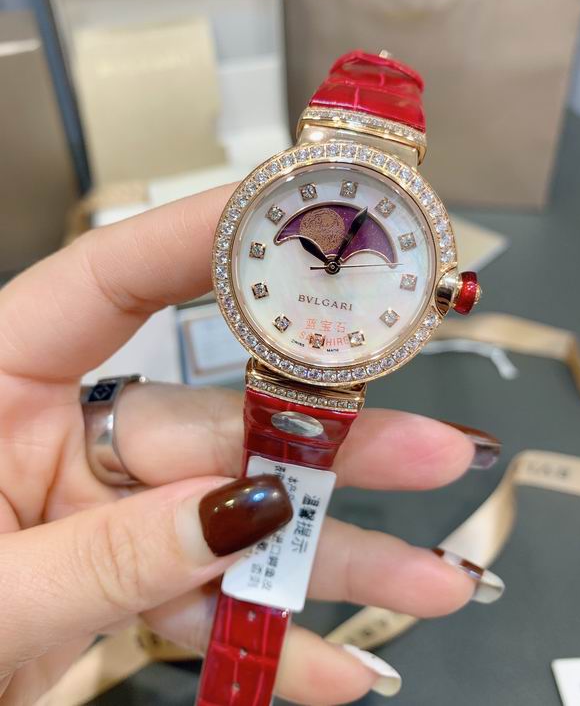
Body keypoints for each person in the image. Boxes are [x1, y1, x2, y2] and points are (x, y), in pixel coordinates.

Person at [0, 183, 503, 704]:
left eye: (339, 264)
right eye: (321, 258)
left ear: (453, 291)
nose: (330, 269)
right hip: (279, 372)